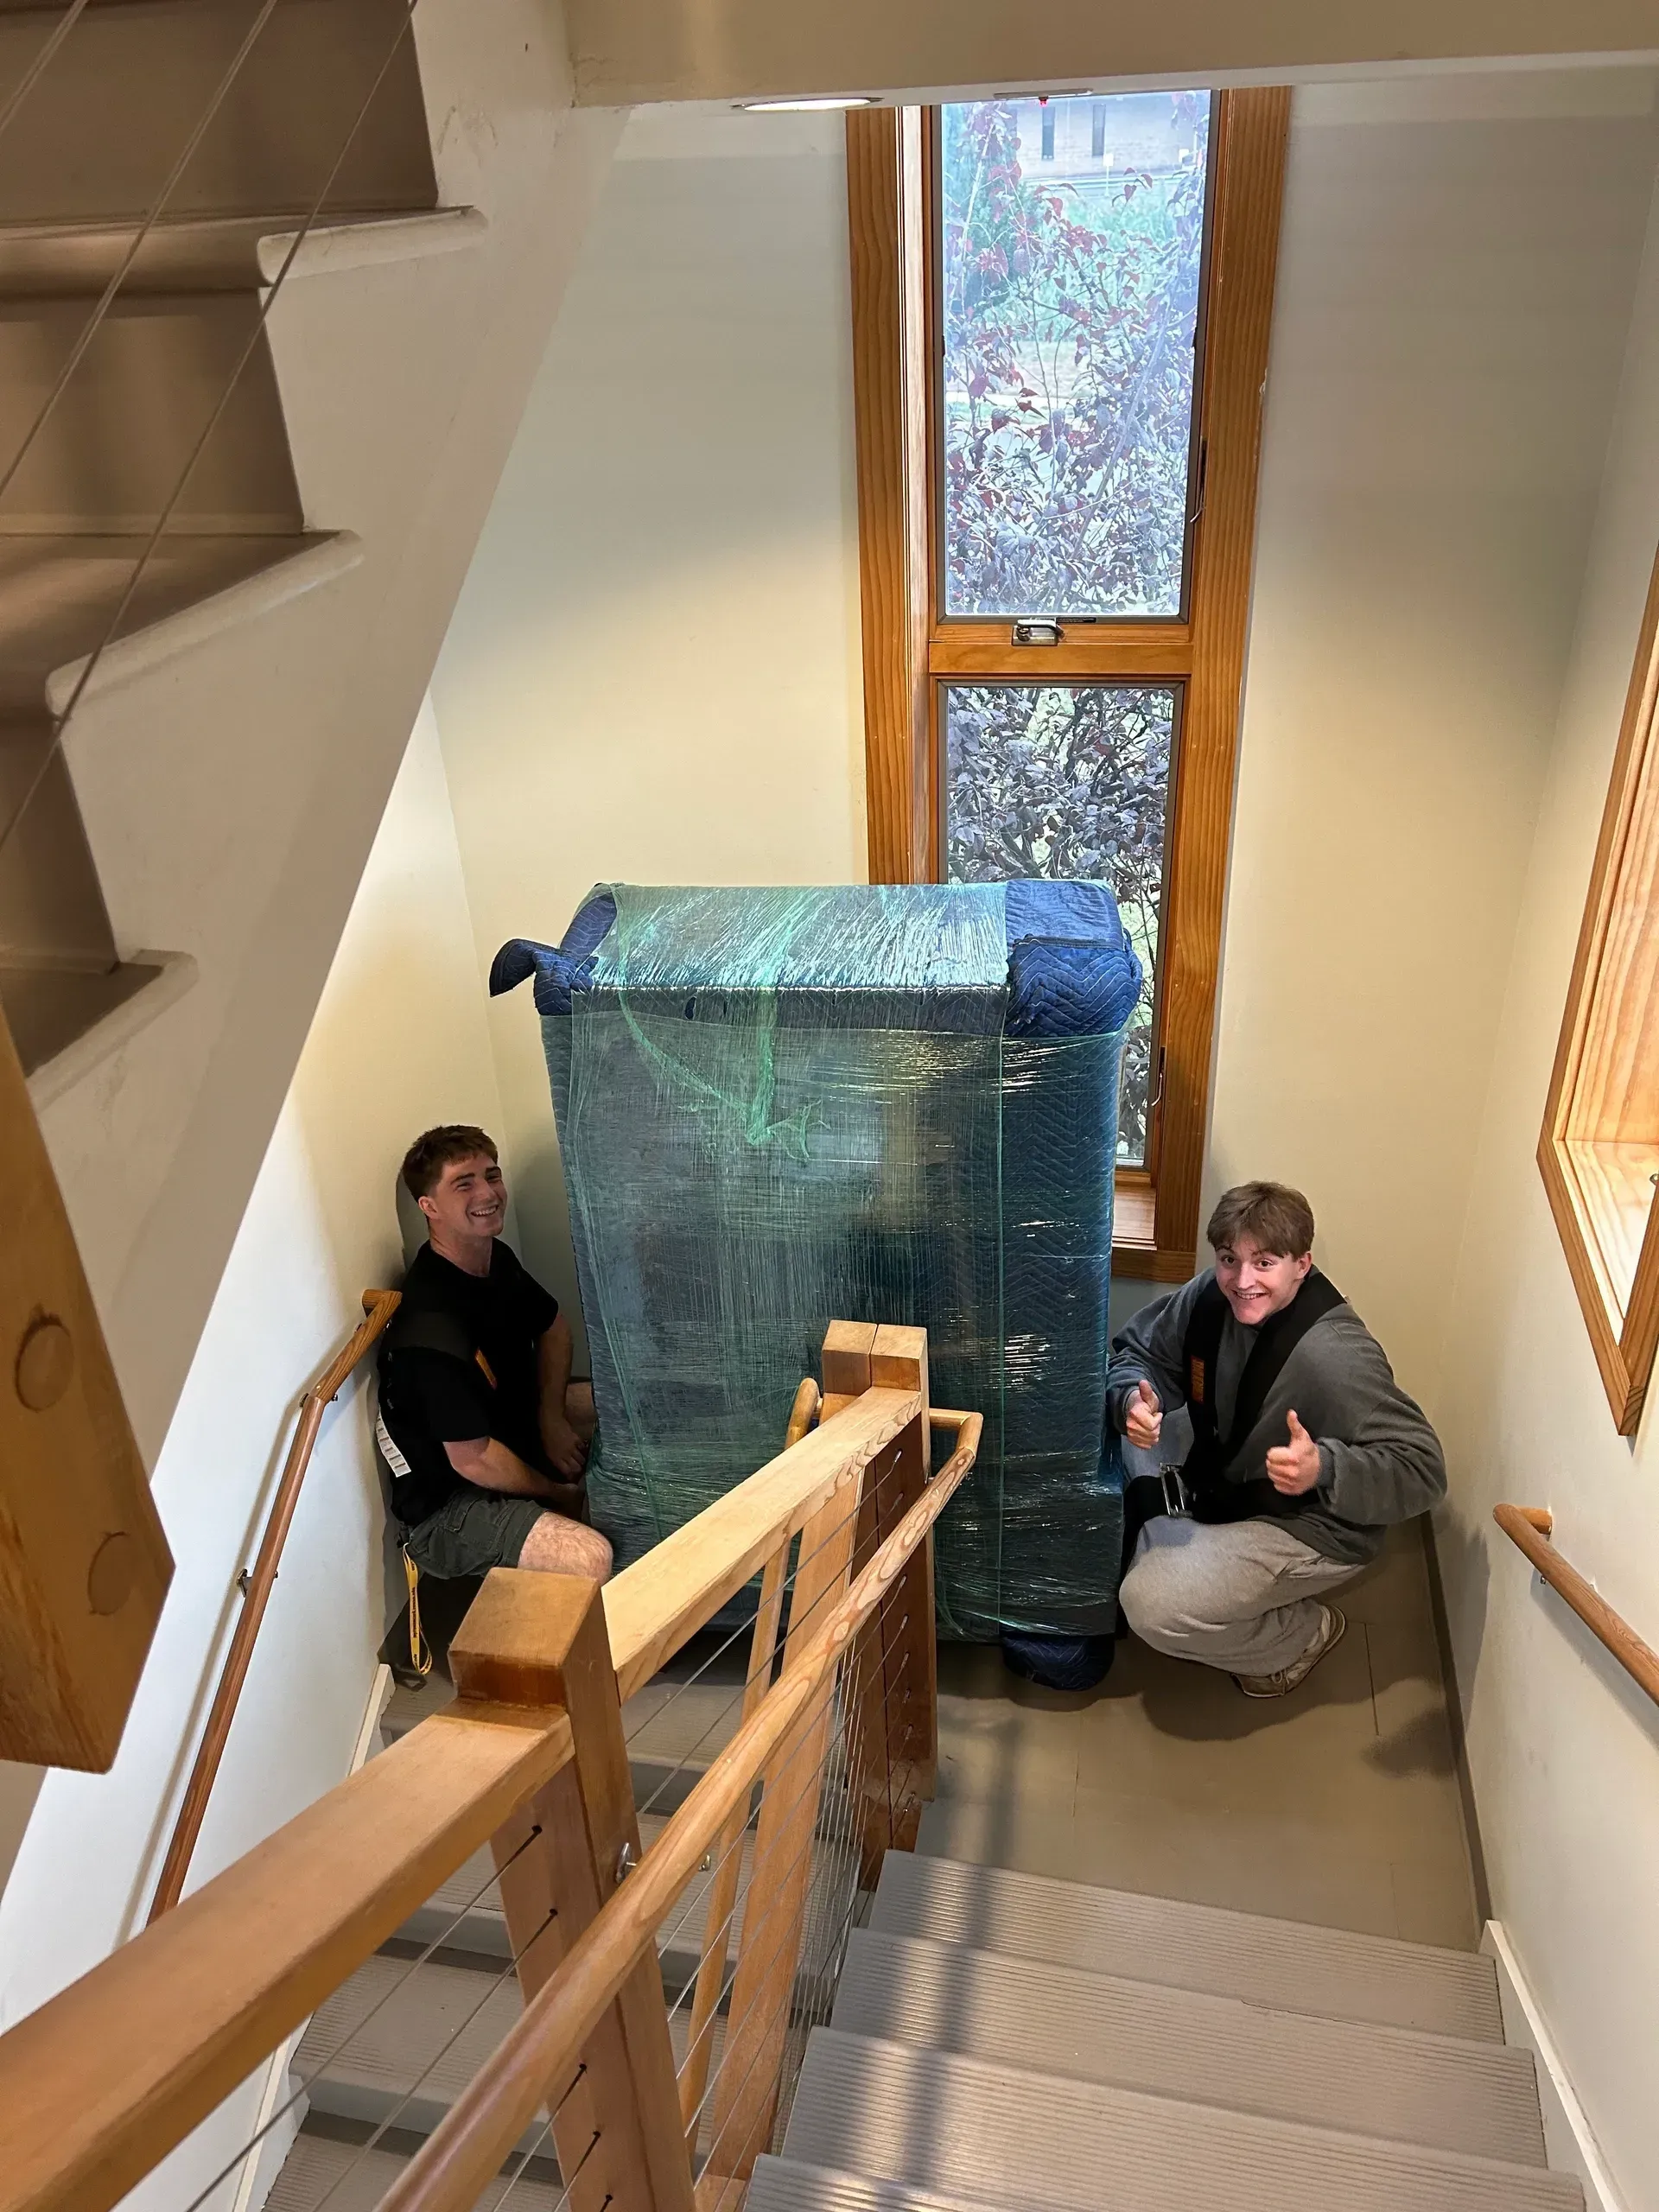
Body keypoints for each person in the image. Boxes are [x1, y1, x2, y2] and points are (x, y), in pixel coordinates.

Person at [1106, 1180, 1443, 1697]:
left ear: (1301, 1265)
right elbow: (1138, 1353)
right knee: (1122, 1427)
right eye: (1228, 1260)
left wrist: (1323, 1468)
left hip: (1306, 1518)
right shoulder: (1209, 1297)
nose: (1242, 1281)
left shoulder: (1334, 1357)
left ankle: (1301, 1637)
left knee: (1149, 1605)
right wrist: (1134, 1400)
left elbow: (1424, 1469)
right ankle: (1173, 1536)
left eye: (1264, 1263)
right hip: (1227, 1463)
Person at [377, 1125, 612, 1582]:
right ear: (429, 1207)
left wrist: (552, 1420)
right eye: (464, 1183)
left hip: (507, 1434)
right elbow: (474, 1459)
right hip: (450, 1506)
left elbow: (553, 1329)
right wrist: (558, 1493)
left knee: (619, 1405)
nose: (488, 1192)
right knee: (590, 1556)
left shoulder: (493, 1260)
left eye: (492, 1175)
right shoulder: (430, 1331)